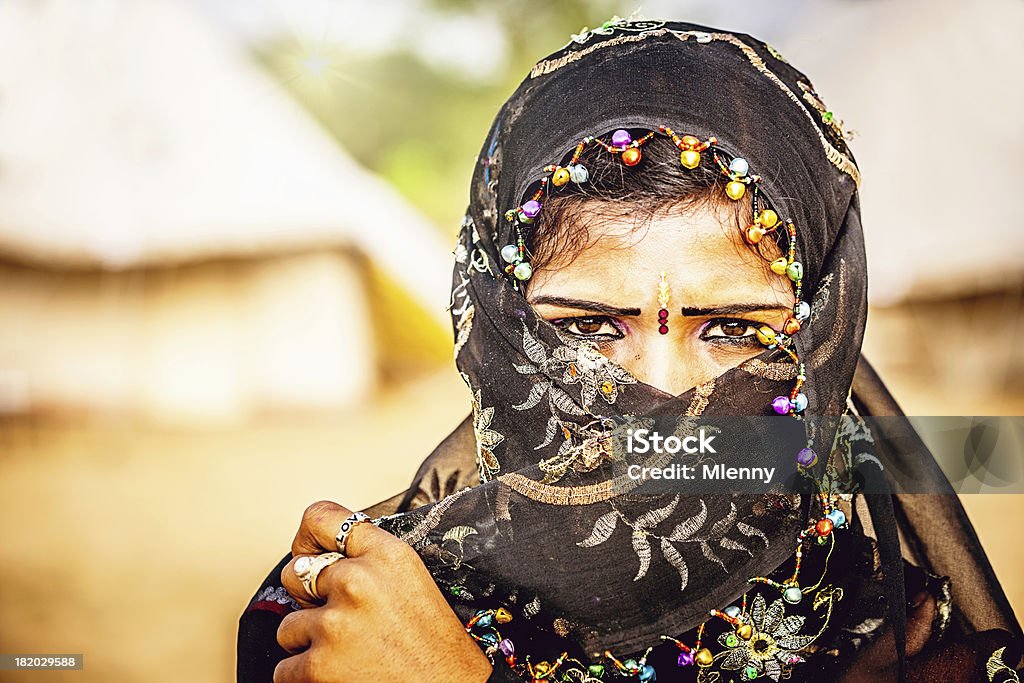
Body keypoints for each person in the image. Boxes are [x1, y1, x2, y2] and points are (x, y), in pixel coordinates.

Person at [237, 19, 1022, 683]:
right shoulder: (358, 620)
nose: (665, 394)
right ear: (497, 331)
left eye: (736, 331)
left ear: (820, 338)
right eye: (587, 329)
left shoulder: (912, 649)